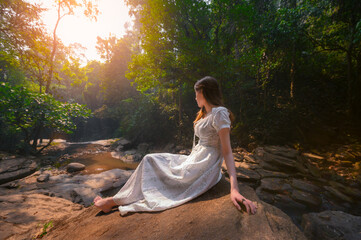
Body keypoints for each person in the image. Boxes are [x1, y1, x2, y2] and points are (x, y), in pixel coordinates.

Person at [94, 76, 257, 215]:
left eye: (196, 93)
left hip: (205, 162)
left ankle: (112, 202)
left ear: (204, 93)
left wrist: (234, 189)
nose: (195, 98)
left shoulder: (220, 113)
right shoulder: (205, 113)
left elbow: (227, 152)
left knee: (152, 162)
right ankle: (116, 199)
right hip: (196, 157)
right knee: (149, 160)